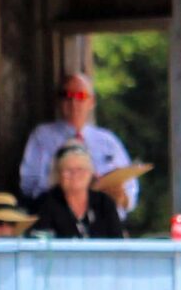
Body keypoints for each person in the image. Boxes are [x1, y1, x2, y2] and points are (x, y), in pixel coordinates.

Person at [17, 72, 138, 213]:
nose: (73, 103)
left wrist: (121, 197)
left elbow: (131, 191)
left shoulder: (108, 141)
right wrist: (73, 184)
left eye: (80, 96)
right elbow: (28, 186)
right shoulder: (43, 136)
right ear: (59, 101)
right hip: (58, 221)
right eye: (67, 96)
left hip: (104, 224)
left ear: (91, 102)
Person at [30, 146, 125, 239]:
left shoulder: (104, 203)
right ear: (58, 175)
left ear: (90, 173)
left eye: (80, 169)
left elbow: (117, 243)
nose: (75, 175)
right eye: (68, 170)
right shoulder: (45, 203)